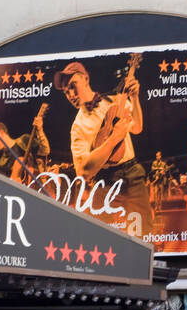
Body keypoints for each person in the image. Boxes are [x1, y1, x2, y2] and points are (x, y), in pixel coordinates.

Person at [56, 59, 150, 234]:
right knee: (101, 237)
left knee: (144, 232)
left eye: (72, 85)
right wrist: (114, 138)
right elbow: (83, 172)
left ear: (85, 79)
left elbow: (137, 127)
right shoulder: (78, 126)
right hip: (104, 182)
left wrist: (135, 99)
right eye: (66, 91)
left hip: (133, 175)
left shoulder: (114, 100)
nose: (70, 94)